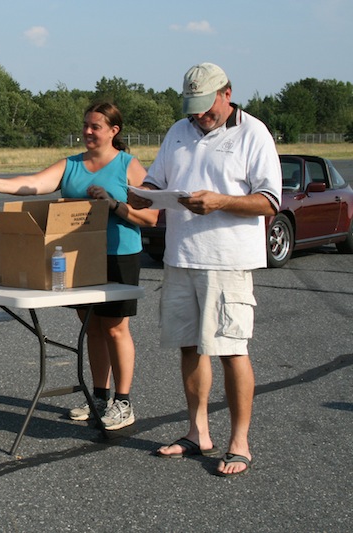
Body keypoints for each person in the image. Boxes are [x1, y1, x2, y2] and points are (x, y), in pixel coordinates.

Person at [128, 63, 281, 477]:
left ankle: (239, 442)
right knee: (189, 347)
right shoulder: (179, 131)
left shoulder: (253, 133)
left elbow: (270, 201)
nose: (199, 115)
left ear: (226, 93)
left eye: (206, 106)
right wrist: (143, 195)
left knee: (231, 350)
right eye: (192, 107)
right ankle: (198, 433)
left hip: (226, 261)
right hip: (180, 258)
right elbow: (156, 182)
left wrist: (221, 201)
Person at [0, 102, 159, 430]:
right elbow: (34, 183)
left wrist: (113, 204)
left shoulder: (129, 166)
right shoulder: (70, 164)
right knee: (91, 327)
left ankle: (123, 402)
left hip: (118, 255)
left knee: (115, 328)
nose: (87, 131)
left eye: (95, 126)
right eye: (85, 125)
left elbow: (151, 217)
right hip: (78, 258)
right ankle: (99, 396)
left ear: (114, 131)